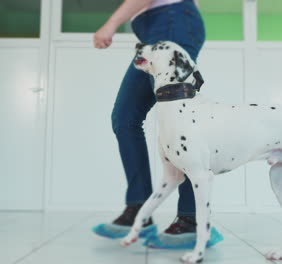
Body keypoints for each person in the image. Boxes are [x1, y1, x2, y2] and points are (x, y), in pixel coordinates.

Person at [92, 0, 222, 248]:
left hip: (172, 22)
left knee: (181, 122)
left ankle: (191, 220)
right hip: (157, 28)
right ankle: (140, 209)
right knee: (125, 118)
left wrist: (111, 24)